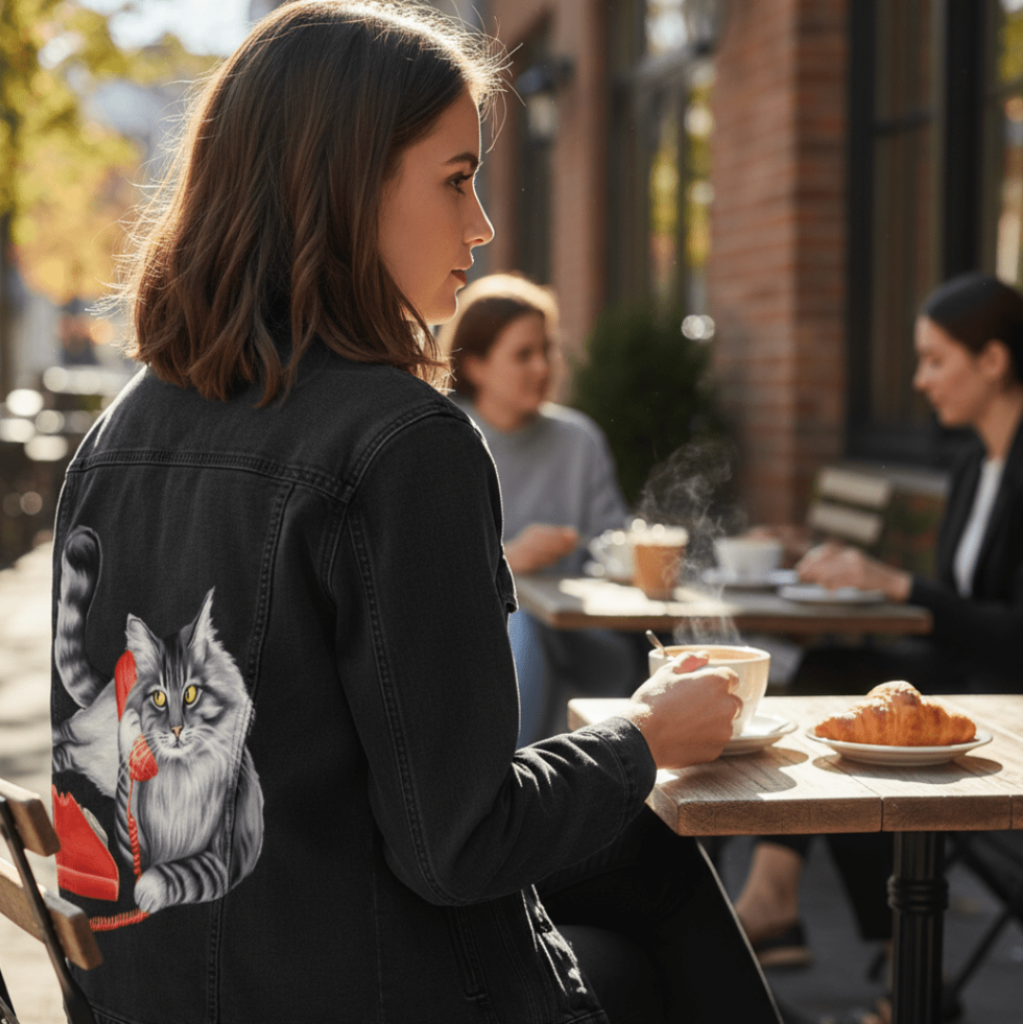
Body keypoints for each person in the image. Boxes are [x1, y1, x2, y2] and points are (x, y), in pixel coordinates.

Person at [47, 4, 782, 1022]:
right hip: (358, 984)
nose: (482, 225)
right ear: (343, 187)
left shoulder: (115, 435)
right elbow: (460, 844)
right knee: (647, 891)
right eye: (456, 177)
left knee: (640, 855)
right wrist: (645, 734)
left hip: (157, 986)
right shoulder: (404, 441)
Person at [732, 271, 1023, 1019]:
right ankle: (856, 939)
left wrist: (898, 587)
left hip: (1005, 701)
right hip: (967, 681)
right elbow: (956, 606)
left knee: (864, 731)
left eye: (934, 359)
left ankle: (813, 923)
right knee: (835, 694)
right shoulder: (971, 464)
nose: (919, 380)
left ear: (991, 360)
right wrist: (824, 561)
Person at [437, 273, 647, 744]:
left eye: (547, 350)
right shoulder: (444, 442)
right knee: (523, 622)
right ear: (475, 366)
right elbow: (423, 573)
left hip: (585, 639)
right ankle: (512, 784)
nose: (543, 366)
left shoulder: (579, 439)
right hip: (471, 646)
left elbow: (613, 545)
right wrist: (506, 561)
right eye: (523, 354)